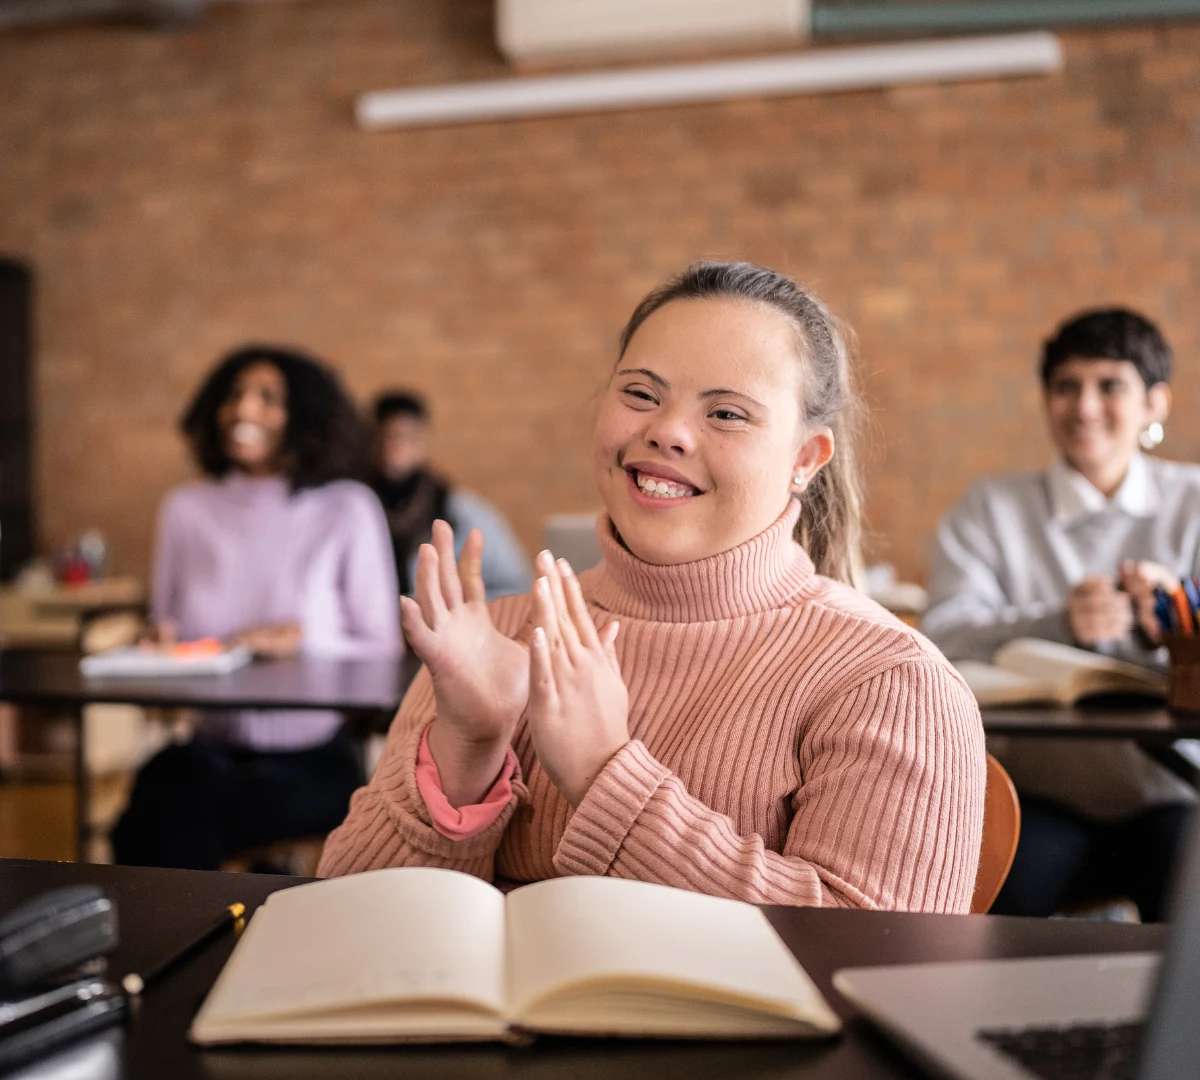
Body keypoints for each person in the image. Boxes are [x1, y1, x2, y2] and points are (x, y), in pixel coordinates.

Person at [319, 262, 986, 912]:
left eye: (727, 414)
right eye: (640, 393)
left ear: (806, 459)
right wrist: (468, 744)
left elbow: (871, 962)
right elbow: (344, 928)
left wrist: (604, 776)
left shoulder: (889, 679)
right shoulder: (491, 637)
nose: (665, 431)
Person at [922, 308, 1200, 920]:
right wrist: (1058, 624)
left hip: (1176, 795)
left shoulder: (1194, 501)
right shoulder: (989, 507)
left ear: (1155, 403)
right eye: (1066, 386)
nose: (1085, 406)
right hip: (1038, 797)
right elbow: (939, 638)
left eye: (1110, 386)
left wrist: (1181, 617)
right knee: (985, 922)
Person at [112, 345, 401, 871]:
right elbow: (167, 623)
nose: (243, 410)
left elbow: (383, 648)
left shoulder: (346, 508)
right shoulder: (186, 510)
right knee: (166, 796)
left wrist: (304, 639)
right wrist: (158, 638)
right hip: (207, 752)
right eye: (234, 395)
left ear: (307, 416)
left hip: (311, 761)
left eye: (268, 398)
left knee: (175, 811)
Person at [370, 391, 532, 600]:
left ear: (422, 441)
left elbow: (515, 586)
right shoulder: (357, 508)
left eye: (405, 437)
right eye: (384, 437)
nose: (393, 448)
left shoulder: (462, 511)